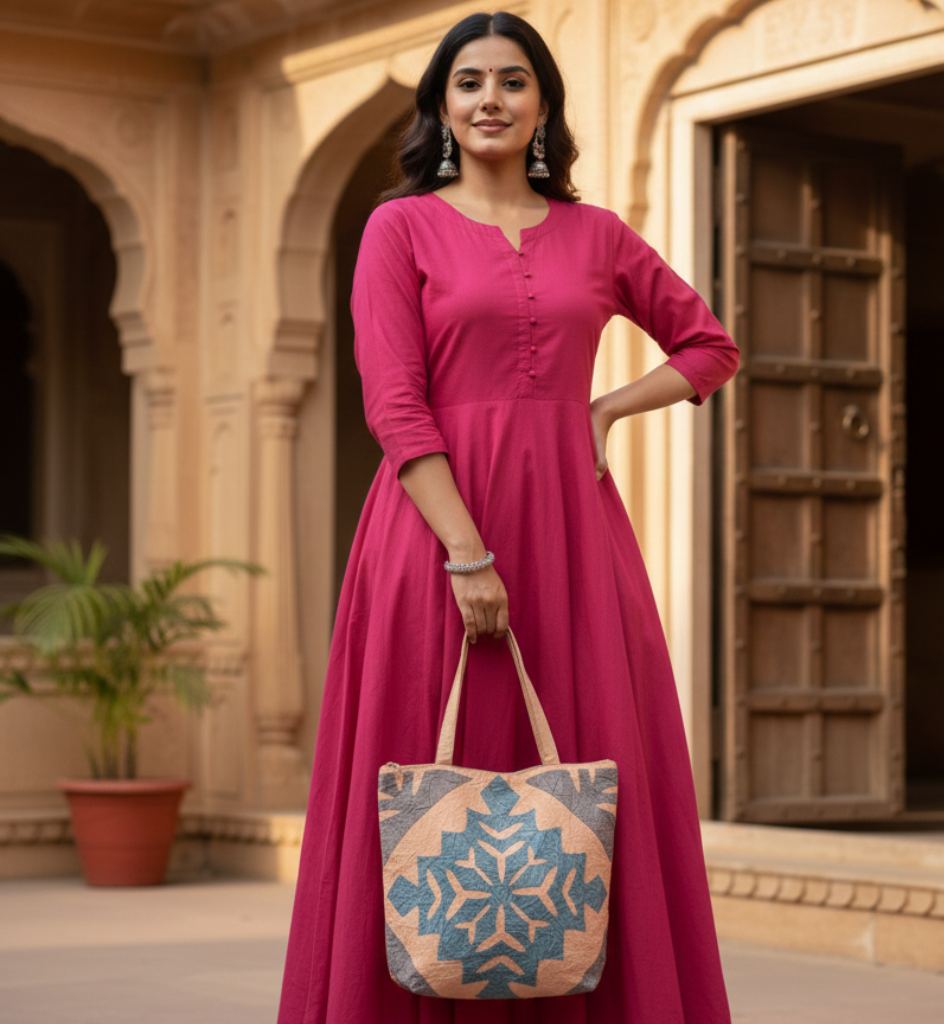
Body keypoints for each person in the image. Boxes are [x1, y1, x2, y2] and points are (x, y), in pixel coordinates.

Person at [277, 10, 738, 1023]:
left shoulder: (598, 234)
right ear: (441, 105)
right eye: (469, 81)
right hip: (435, 532)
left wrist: (609, 406)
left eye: (513, 81)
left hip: (577, 536)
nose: (491, 98)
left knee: (580, 773)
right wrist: (466, 554)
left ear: (543, 105)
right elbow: (395, 404)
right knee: (435, 772)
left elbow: (708, 345)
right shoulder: (399, 227)